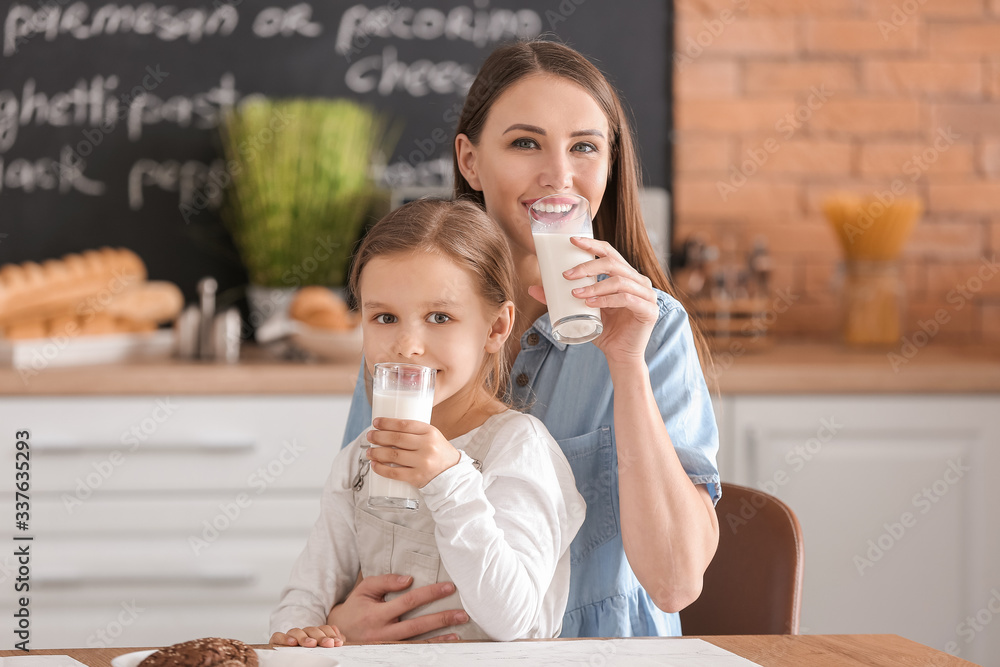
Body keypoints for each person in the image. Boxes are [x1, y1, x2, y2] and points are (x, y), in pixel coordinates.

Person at [331, 39, 721, 641]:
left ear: (610, 164)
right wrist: (339, 619)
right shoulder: (408, 331)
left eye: (584, 147)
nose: (558, 176)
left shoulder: (654, 329)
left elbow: (673, 584)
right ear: (470, 160)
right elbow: (366, 518)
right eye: (524, 143)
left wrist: (625, 364)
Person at [269, 199, 586, 647]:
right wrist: (306, 632)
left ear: (496, 328)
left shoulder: (518, 448)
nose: (407, 345)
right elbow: (306, 596)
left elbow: (514, 619)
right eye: (384, 317)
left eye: (439, 318)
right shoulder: (361, 456)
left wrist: (448, 480)